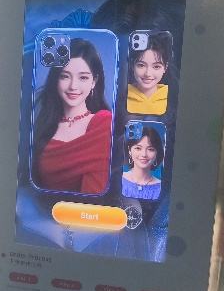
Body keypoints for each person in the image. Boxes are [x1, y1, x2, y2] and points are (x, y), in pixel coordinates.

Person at [32, 38, 112, 194]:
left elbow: (95, 194)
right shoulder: (44, 126)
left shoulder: (104, 123)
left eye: (83, 77)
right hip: (45, 208)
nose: (73, 86)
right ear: (56, 79)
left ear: (94, 81)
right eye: (65, 76)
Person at [126, 32, 171, 114]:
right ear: (132, 65)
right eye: (141, 65)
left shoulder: (173, 97)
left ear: (165, 67)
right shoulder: (120, 95)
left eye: (156, 67)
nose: (148, 74)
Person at [121, 126, 164, 199]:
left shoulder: (162, 188)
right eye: (138, 148)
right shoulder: (118, 180)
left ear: (157, 153)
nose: (144, 154)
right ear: (129, 151)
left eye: (150, 149)